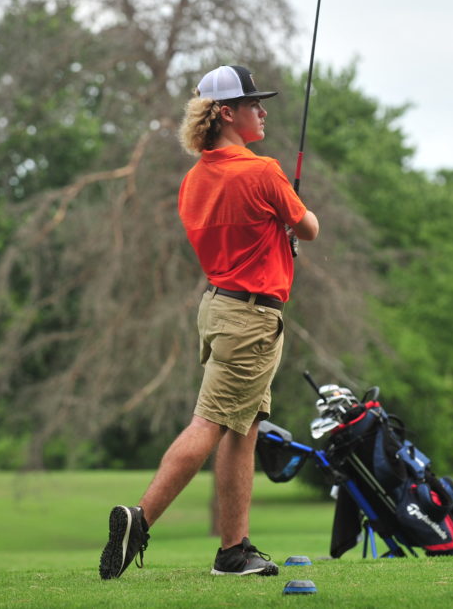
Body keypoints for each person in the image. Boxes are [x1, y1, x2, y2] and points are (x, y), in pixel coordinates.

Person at [99, 65, 319, 579]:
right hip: (251, 319)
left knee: (244, 426)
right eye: (253, 104)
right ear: (225, 112)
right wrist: (289, 220)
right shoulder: (263, 171)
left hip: (220, 309)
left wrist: (274, 232)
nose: (262, 111)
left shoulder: (193, 180)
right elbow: (309, 227)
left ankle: (233, 551)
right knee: (212, 422)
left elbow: (243, 233)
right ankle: (139, 518)